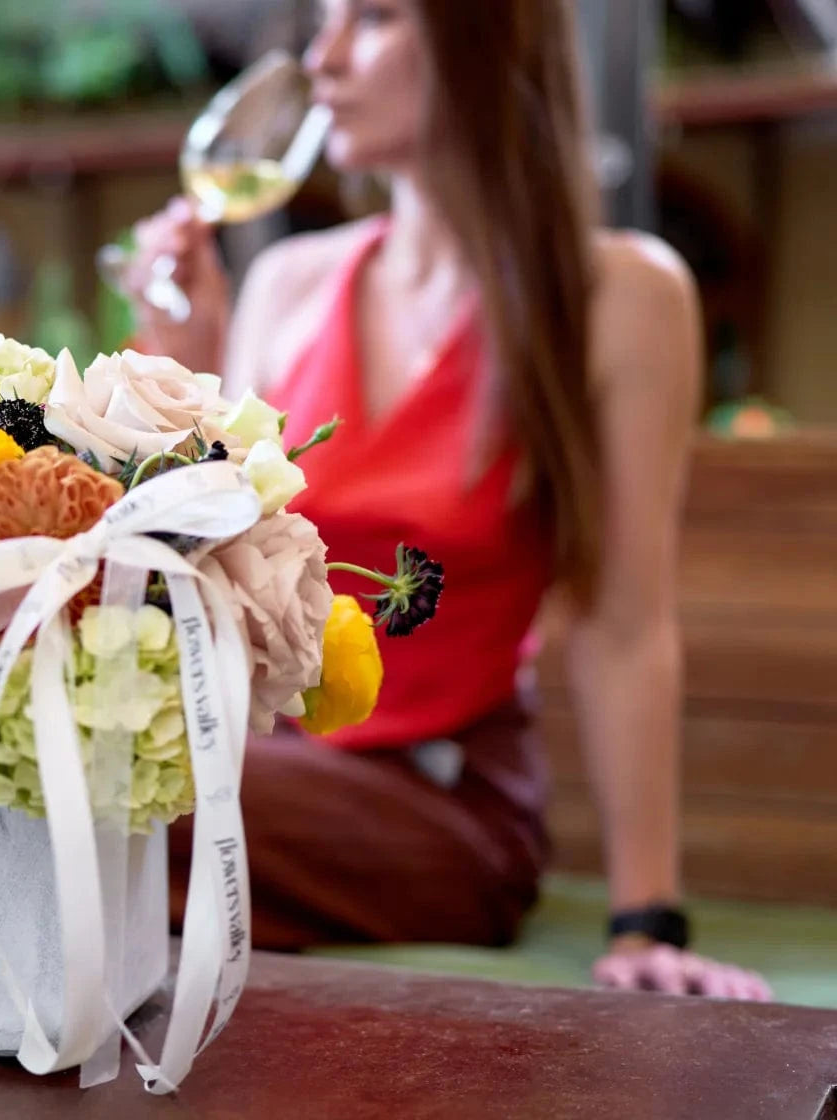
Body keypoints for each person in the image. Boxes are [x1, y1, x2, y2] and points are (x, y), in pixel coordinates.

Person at [132, 0, 771, 999]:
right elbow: (231, 580)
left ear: (487, 43)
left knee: (106, 784)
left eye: (374, 19)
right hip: (263, 767)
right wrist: (186, 379)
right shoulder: (284, 285)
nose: (322, 58)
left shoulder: (616, 298)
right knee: (84, 766)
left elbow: (623, 624)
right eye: (323, 21)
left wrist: (645, 921)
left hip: (440, 807)